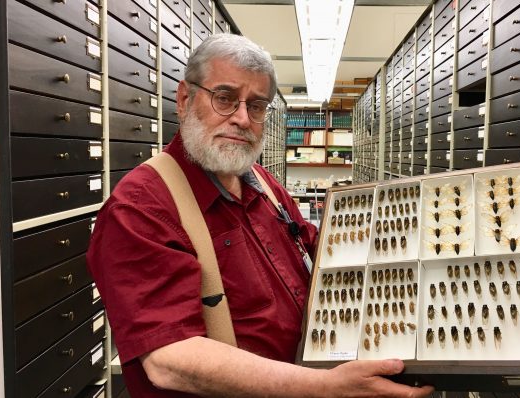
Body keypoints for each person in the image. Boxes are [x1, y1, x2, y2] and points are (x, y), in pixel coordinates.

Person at [87, 33, 433, 397]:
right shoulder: (141, 207)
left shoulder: (261, 182)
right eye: (224, 98)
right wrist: (325, 387)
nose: (241, 118)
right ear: (185, 99)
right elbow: (170, 359)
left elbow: (314, 249)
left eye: (256, 106)